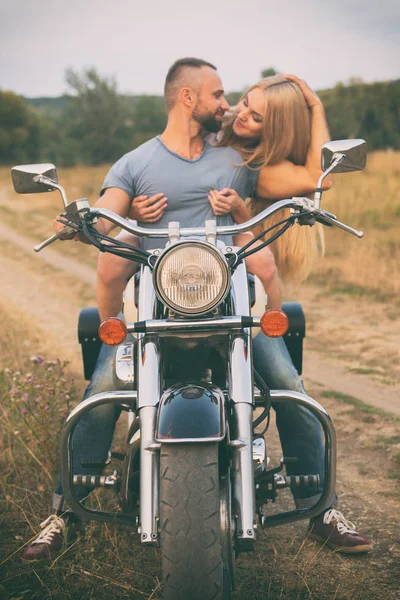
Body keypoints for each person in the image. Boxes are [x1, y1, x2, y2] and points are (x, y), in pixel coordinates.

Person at [22, 59, 371, 561]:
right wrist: (82, 219)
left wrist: (312, 104)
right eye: (219, 95)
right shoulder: (135, 163)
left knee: (288, 385)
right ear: (188, 98)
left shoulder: (237, 163)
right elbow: (109, 209)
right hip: (153, 309)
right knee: (100, 389)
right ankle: (63, 513)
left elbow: (319, 178)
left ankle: (323, 510)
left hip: (230, 305)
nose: (227, 106)